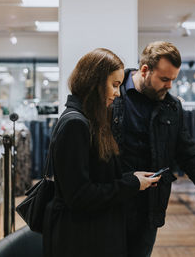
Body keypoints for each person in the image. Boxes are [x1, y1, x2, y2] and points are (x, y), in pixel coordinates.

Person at [111, 41, 195, 257]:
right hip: (111, 204)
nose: (169, 86)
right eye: (164, 79)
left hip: (149, 209)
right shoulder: (113, 95)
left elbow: (189, 155)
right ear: (145, 70)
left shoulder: (172, 106)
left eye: (173, 80)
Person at [42, 48, 161, 257]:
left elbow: (95, 179)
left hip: (91, 234)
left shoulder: (90, 121)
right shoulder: (76, 124)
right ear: (94, 82)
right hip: (80, 241)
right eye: (114, 85)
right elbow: (79, 196)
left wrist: (131, 178)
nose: (117, 92)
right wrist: (131, 184)